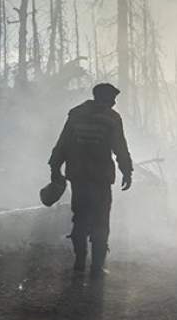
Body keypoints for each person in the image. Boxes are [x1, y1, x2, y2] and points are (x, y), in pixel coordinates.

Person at [49, 83, 133, 277]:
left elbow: (62, 143)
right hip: (100, 177)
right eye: (111, 98)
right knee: (101, 221)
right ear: (103, 98)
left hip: (78, 177)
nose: (113, 102)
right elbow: (120, 147)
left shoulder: (76, 115)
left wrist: (55, 167)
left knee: (80, 218)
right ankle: (96, 267)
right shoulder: (111, 119)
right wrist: (126, 171)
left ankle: (79, 263)